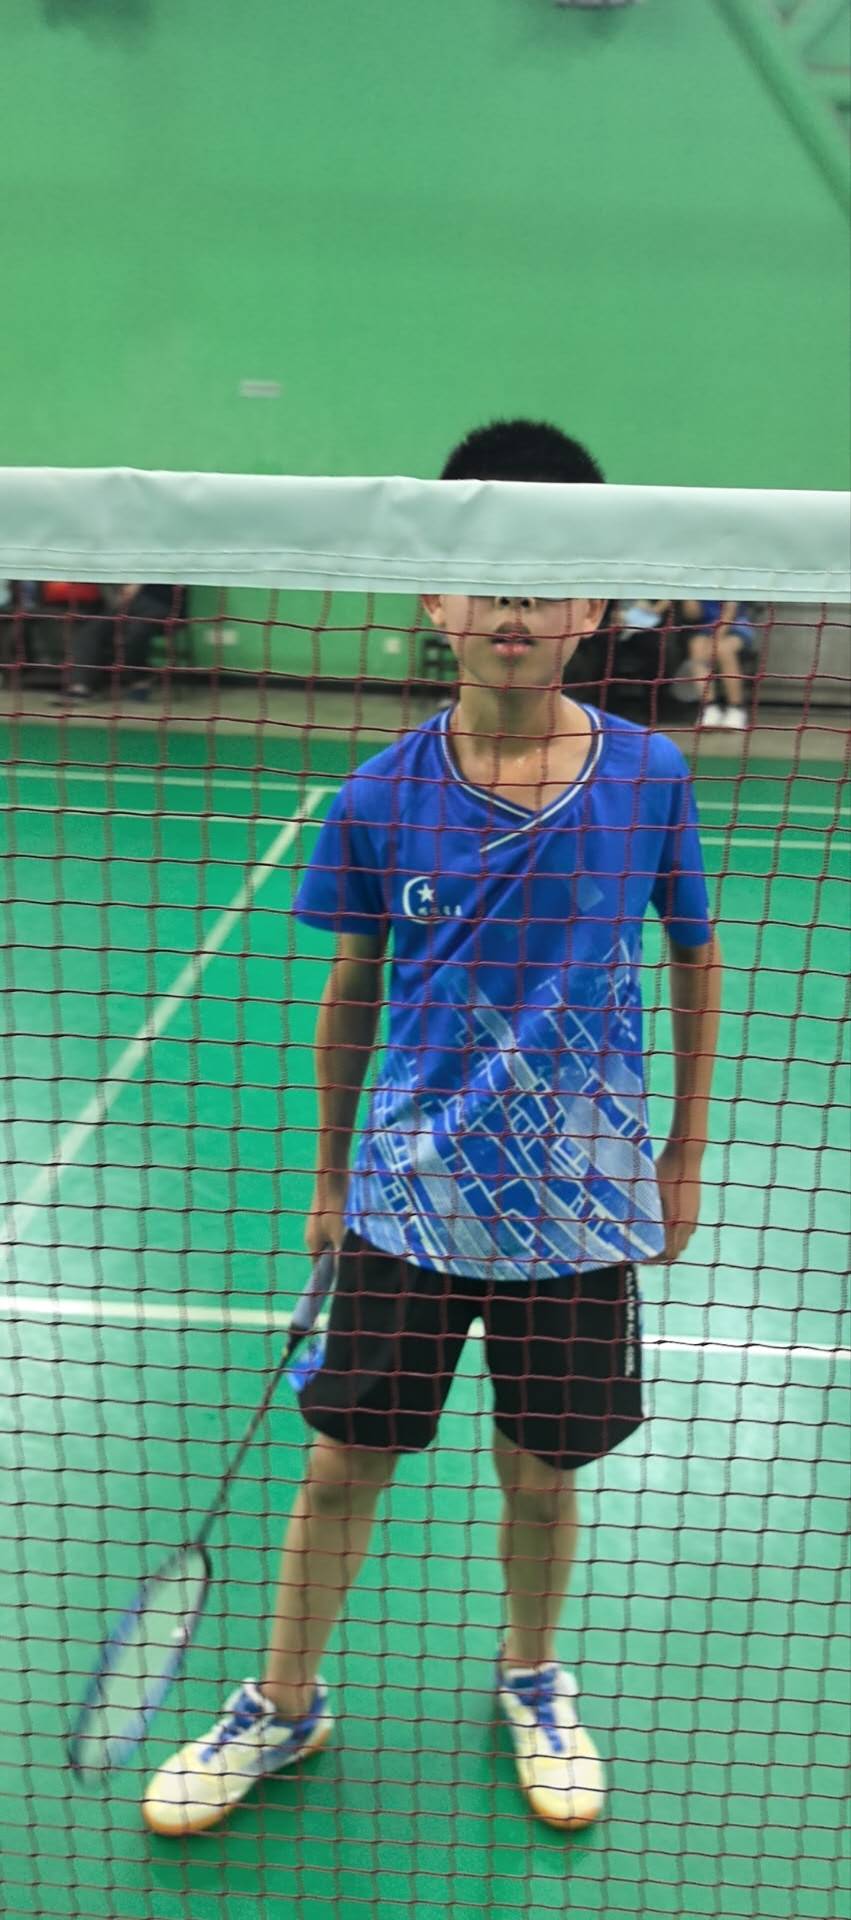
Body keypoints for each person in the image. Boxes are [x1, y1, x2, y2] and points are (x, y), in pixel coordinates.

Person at [142, 419, 721, 1838]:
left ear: (594, 604)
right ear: (434, 596)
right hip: (406, 1198)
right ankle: (284, 1701)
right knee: (341, 1463)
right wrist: (329, 1176)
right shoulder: (377, 794)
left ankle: (530, 1675)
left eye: (548, 575)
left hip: (578, 1206)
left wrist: (680, 1155)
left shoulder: (648, 777)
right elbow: (350, 991)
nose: (514, 600)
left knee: (540, 1470)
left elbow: (695, 953)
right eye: (486, 571)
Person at [56, 582, 182, 698]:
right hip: (129, 603)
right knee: (91, 631)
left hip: (163, 604)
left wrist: (138, 583)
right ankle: (80, 686)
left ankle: (140, 678)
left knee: (134, 634)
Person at [675, 600, 757, 730]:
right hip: (706, 628)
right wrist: (689, 600)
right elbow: (692, 615)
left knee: (723, 649)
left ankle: (736, 708)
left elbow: (730, 613)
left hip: (735, 626)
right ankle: (710, 708)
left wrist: (712, 642)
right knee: (696, 646)